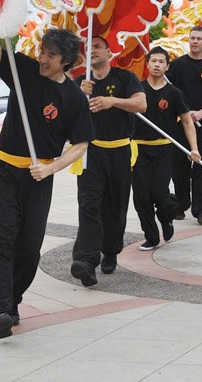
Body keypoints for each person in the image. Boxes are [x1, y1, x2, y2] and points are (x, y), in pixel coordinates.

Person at [0, 29, 93, 339]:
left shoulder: (73, 98)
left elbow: (81, 144)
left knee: (29, 248)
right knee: (2, 236)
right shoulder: (24, 70)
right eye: (42, 51)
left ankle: (13, 298)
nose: (42, 58)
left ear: (67, 62)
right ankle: (1, 309)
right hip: (6, 169)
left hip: (38, 177)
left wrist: (51, 168)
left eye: (51, 55)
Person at [70, 36, 146, 287]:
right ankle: (85, 261)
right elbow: (66, 112)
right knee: (89, 204)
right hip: (90, 152)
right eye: (88, 49)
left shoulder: (125, 78)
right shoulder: (81, 82)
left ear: (109, 52)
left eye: (98, 47)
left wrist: (112, 101)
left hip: (120, 150)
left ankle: (110, 250)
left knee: (115, 206)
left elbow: (141, 104)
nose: (92, 51)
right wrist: (78, 97)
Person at [132, 47, 200, 251]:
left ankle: (167, 218)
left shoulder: (174, 93)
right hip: (139, 150)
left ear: (167, 66)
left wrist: (194, 148)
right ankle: (151, 237)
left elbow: (188, 122)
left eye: (161, 62)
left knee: (159, 193)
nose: (156, 65)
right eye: (153, 61)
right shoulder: (137, 91)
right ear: (147, 63)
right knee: (141, 196)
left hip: (164, 150)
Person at [166, 26, 202, 225]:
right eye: (192, 38)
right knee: (179, 166)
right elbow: (168, 89)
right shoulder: (177, 65)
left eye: (199, 38)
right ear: (188, 40)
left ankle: (201, 210)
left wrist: (201, 113)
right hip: (179, 123)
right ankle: (181, 205)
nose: (195, 42)